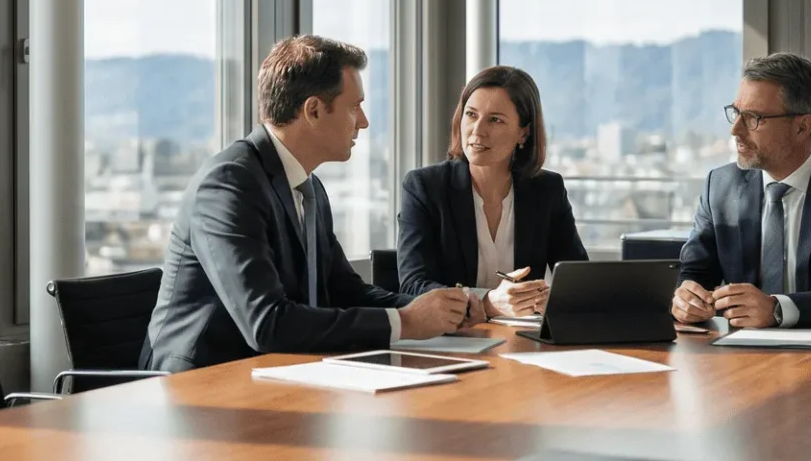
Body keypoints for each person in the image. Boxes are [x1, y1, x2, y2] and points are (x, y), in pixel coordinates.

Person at [140, 36, 471, 372]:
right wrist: (405, 322)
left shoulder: (308, 186)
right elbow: (266, 323)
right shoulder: (229, 183)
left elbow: (345, 290)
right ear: (313, 110)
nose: (364, 121)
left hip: (275, 375)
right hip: (199, 388)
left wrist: (440, 310)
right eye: (354, 106)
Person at [670, 53, 811, 329]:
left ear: (802, 127)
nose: (735, 129)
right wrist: (686, 298)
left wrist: (779, 310)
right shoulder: (719, 186)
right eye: (735, 113)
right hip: (738, 361)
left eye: (753, 118)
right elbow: (695, 273)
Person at [396, 66, 588, 319]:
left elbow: (580, 281)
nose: (477, 131)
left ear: (523, 132)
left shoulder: (547, 190)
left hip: (522, 340)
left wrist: (552, 297)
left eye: (495, 120)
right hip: (450, 340)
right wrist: (487, 302)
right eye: (471, 115)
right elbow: (413, 285)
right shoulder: (425, 187)